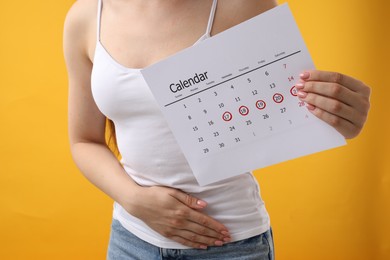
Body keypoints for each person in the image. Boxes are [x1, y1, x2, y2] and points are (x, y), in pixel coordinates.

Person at [63, 0, 371, 259]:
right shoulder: (86, 17)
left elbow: (296, 106)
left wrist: (340, 116)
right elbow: (84, 140)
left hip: (230, 245)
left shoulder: (243, 5)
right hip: (130, 240)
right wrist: (133, 200)